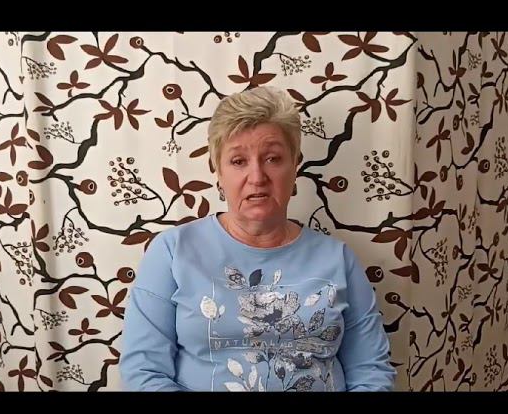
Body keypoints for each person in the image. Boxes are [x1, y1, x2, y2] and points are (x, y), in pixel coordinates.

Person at [119, 86, 396, 391]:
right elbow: (144, 371)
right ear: (217, 170)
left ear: (295, 165)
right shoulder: (173, 252)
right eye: (238, 161)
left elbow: (371, 371)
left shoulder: (338, 258)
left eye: (273, 159)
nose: (257, 177)